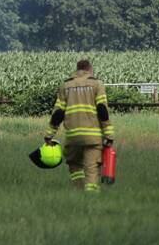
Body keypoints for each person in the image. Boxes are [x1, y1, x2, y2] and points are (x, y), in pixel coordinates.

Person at [44, 59, 114, 192]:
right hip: (93, 136)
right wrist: (109, 135)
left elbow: (58, 113)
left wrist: (49, 135)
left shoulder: (65, 85)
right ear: (89, 70)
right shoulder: (97, 84)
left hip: (73, 136)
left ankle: (79, 189)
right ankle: (91, 194)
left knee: (74, 164)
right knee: (92, 167)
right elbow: (102, 110)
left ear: (77, 70)